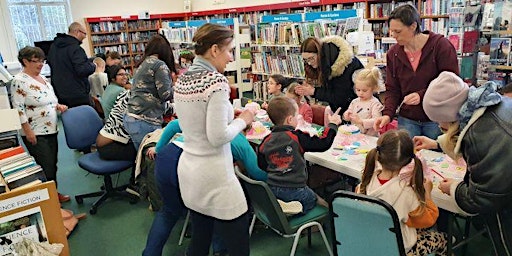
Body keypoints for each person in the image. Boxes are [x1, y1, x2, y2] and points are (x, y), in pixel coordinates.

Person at [173, 23, 255, 256]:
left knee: (200, 240)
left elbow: (195, 120)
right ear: (215, 49)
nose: (231, 58)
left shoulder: (183, 78)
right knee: (239, 246)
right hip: (215, 175)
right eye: (230, 51)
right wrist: (244, 120)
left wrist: (230, 115)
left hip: (190, 171)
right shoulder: (216, 82)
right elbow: (218, 137)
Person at [413, 71, 512, 256]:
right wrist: (436, 143)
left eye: (440, 124)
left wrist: (454, 188)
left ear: (450, 116)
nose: (439, 128)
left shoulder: (481, 135)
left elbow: (481, 199)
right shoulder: (490, 104)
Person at [142, 119, 266, 256]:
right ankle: (219, 250)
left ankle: (150, 253)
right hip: (189, 164)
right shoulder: (238, 139)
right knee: (215, 208)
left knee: (168, 212)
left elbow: (172, 125)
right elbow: (257, 173)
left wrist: (158, 149)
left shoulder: (202, 121)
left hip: (167, 157)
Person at [373, 4, 459, 139]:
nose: (393, 36)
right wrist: (387, 115)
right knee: (408, 157)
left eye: (398, 31)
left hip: (438, 118)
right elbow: (392, 89)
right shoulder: (393, 54)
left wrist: (422, 95)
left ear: (413, 26)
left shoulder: (441, 46)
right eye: (392, 31)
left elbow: (452, 83)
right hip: (407, 119)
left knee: (437, 158)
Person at [358, 129, 447, 255]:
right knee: (443, 239)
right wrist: (427, 194)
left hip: (369, 243)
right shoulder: (405, 192)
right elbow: (427, 220)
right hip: (398, 249)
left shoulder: (364, 183)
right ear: (407, 161)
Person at [258, 96, 342, 213]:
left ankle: (285, 209)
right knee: (321, 202)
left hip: (272, 190)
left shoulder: (266, 140)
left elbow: (262, 164)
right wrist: (333, 125)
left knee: (312, 195)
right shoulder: (296, 137)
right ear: (289, 119)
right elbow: (324, 143)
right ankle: (323, 216)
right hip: (296, 189)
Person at [10, 46, 70, 202]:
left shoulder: (43, 78)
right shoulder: (19, 81)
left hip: (51, 128)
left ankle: (53, 194)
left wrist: (58, 106)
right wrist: (28, 131)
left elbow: (48, 101)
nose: (40, 64)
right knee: (45, 166)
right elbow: (18, 109)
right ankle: (48, 201)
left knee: (53, 164)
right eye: (36, 61)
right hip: (35, 131)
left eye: (42, 61)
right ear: (25, 61)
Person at [123, 34, 176, 151]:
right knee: (151, 160)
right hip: (145, 120)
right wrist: (181, 88)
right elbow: (166, 94)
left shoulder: (143, 63)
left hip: (133, 118)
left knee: (143, 158)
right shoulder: (159, 65)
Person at [295, 36, 364, 116]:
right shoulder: (325, 62)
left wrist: (314, 91)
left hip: (358, 111)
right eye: (306, 60)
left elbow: (340, 97)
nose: (309, 63)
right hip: (343, 111)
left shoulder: (344, 65)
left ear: (320, 53)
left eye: (311, 58)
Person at [47, 22, 96, 108]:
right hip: (77, 94)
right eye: (84, 34)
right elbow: (82, 70)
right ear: (77, 32)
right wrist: (93, 65)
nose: (85, 37)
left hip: (60, 92)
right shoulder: (76, 49)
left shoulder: (54, 47)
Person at [342, 66, 384, 136]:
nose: (360, 93)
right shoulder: (354, 102)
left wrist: (361, 121)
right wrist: (346, 115)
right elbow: (348, 116)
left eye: (364, 90)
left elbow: (377, 120)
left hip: (371, 137)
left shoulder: (375, 103)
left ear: (374, 88)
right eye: (358, 90)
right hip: (356, 135)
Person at [96, 90, 136, 161]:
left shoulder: (123, 92)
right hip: (111, 144)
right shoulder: (137, 98)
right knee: (146, 151)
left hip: (105, 137)